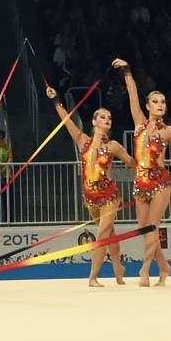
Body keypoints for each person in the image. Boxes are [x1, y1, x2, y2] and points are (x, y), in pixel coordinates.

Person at [112, 58, 171, 286]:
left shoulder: (169, 131)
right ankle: (164, 267)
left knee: (152, 226)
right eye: (155, 101)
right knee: (145, 229)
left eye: (163, 102)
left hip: (161, 182)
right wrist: (127, 71)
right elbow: (132, 93)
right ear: (148, 106)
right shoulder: (139, 123)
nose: (160, 104)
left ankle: (144, 270)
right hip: (140, 183)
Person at [46, 85, 134, 286]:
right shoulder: (82, 140)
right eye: (102, 117)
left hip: (110, 196)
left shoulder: (113, 146)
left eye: (109, 117)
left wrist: (150, 167)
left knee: (103, 234)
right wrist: (55, 100)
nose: (107, 119)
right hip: (90, 198)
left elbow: (133, 162)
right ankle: (118, 268)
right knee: (110, 234)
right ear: (94, 122)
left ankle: (93, 277)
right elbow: (66, 120)